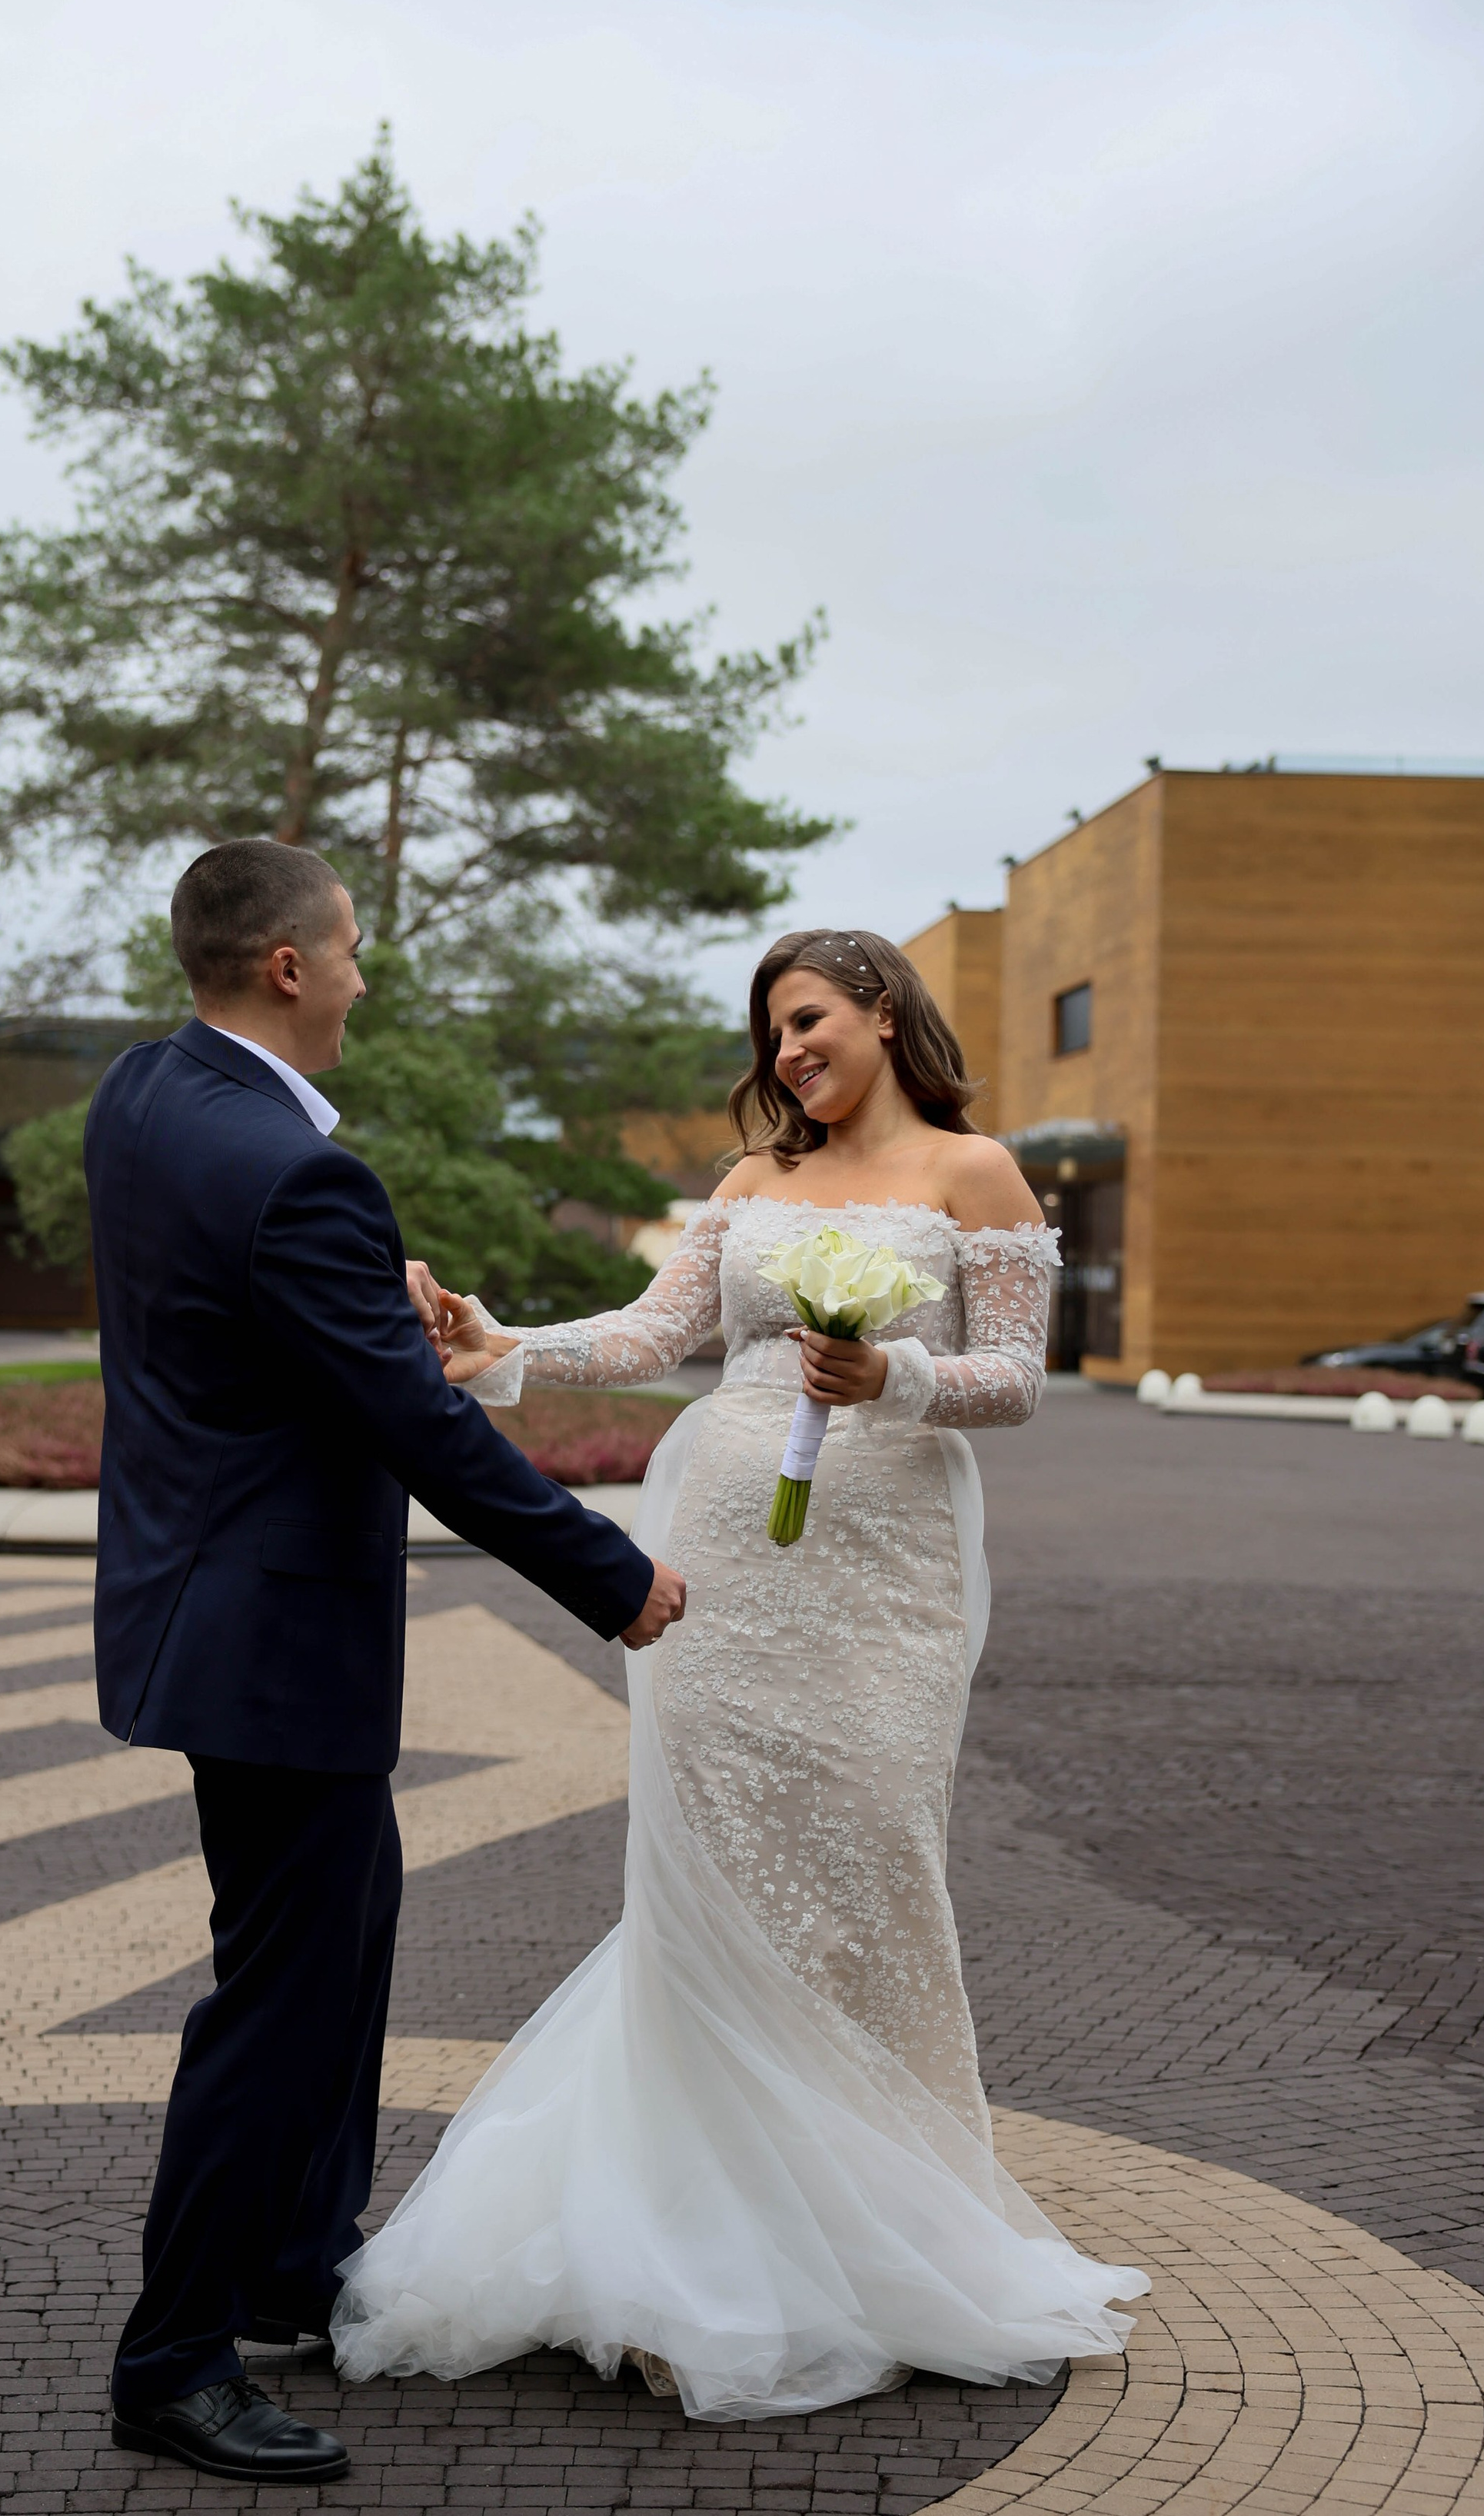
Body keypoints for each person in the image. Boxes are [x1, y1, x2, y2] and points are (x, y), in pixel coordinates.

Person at [332, 927, 1148, 2418]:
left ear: (883, 1014)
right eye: (772, 1032)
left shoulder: (974, 1175)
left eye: (808, 1021)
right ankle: (695, 2245)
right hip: (722, 1549)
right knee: (713, 1877)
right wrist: (500, 1346)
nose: (786, 1054)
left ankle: (884, 2232)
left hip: (884, 1572)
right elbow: (660, 1333)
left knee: (870, 1868)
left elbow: (1018, 1378)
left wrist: (888, 1375)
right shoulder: (749, 1186)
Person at [85, 839, 684, 2489]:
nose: (363, 973)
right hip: (271, 1639)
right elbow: (413, 1425)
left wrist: (353, 1303)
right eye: (348, 949)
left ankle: (293, 2262)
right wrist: (611, 1574)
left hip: (202, 1609)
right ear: (284, 967)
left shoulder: (144, 1099)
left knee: (343, 1941)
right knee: (277, 2001)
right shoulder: (294, 1176)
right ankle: (173, 2359)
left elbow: (237, 1325)